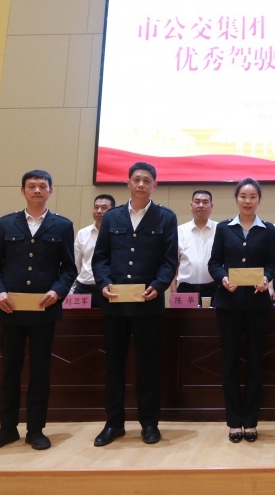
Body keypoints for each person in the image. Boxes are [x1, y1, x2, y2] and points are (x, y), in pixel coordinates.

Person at [0, 169, 77, 452]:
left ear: (50, 191)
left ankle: (36, 430)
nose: (37, 190)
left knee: (40, 371)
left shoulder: (62, 226)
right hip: (10, 310)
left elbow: (69, 269)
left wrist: (57, 291)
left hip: (44, 311)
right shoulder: (6, 223)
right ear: (22, 191)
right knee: (10, 370)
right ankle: (7, 429)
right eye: (31, 186)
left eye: (42, 186)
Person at [91, 162, 177, 447]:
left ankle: (149, 423)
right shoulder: (112, 217)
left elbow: (169, 261)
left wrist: (159, 285)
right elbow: (100, 258)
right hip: (115, 304)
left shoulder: (166, 217)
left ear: (155, 185)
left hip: (147, 304)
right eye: (136, 179)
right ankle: (114, 423)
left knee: (148, 366)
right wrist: (104, 283)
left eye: (146, 180)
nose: (141, 184)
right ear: (128, 183)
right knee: (113, 365)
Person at [207, 178, 275, 443]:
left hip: (258, 305)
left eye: (253, 197)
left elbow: (271, 263)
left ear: (259, 200)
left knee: (256, 362)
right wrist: (222, 278)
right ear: (236, 199)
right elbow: (214, 263)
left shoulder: (268, 230)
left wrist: (266, 278)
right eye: (243, 196)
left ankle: (251, 420)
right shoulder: (224, 228)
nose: (248, 201)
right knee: (230, 362)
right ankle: (234, 420)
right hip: (229, 304)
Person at [73, 194, 116, 308]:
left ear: (113, 211)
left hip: (108, 288)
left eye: (104, 207)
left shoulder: (118, 234)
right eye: (96, 207)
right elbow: (76, 265)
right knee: (76, 319)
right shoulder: (83, 233)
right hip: (83, 288)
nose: (99, 211)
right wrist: (70, 291)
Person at [176, 190, 219, 298]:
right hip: (186, 290)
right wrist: (173, 290)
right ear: (191, 205)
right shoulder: (179, 231)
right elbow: (173, 264)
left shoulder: (220, 230)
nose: (201, 205)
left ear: (211, 206)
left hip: (214, 289)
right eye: (197, 202)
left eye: (205, 202)